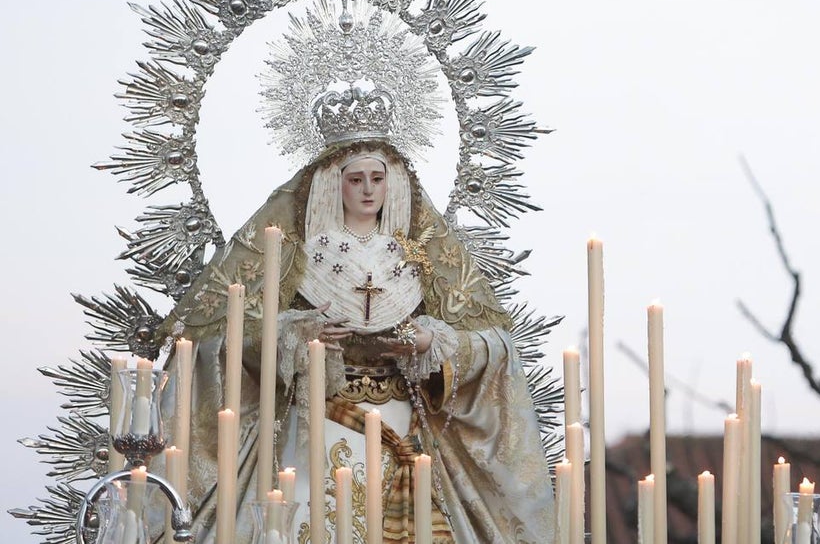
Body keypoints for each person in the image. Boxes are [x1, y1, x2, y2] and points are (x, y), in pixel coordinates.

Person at [158, 135, 555, 543]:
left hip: (404, 422)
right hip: (319, 421)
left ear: (392, 183)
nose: (368, 190)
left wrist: (430, 343)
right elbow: (223, 345)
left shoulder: (420, 255)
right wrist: (293, 335)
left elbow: (494, 347)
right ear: (334, 183)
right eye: (356, 179)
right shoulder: (298, 254)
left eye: (377, 178)